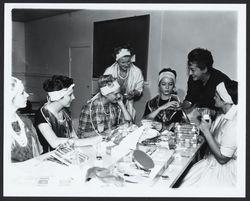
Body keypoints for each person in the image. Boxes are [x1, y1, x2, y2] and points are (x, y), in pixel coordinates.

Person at [180, 79, 237, 187]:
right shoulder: (222, 115)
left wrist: (206, 131)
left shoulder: (235, 122)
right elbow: (216, 140)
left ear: (225, 100)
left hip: (224, 171)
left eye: (216, 95)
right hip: (210, 161)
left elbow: (222, 158)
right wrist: (208, 129)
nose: (213, 97)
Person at [34, 75, 101, 153]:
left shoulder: (65, 112)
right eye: (70, 95)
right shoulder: (42, 115)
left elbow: (73, 136)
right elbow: (54, 143)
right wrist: (91, 141)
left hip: (66, 154)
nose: (73, 97)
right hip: (49, 158)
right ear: (59, 97)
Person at [103, 45, 144, 121]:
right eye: (123, 62)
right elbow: (104, 90)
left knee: (128, 125)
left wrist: (134, 93)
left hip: (127, 104)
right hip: (111, 104)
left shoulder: (137, 72)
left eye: (128, 62)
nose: (126, 64)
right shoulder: (109, 71)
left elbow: (139, 90)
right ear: (117, 61)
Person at [10, 77, 43, 162]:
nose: (27, 95)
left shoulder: (26, 121)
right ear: (9, 97)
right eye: (22, 93)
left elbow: (37, 155)